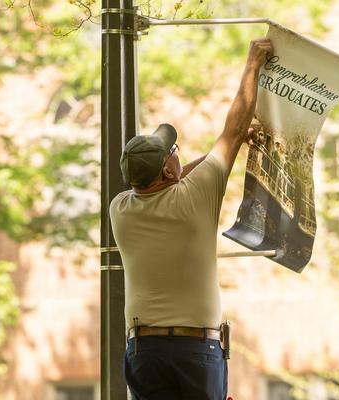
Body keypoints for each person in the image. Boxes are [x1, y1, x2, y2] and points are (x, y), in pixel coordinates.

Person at [109, 38, 273, 400]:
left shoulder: (120, 209)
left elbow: (178, 182)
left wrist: (208, 157)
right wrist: (253, 62)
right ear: (168, 169)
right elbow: (230, 130)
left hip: (144, 352)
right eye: (174, 153)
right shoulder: (193, 199)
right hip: (195, 350)